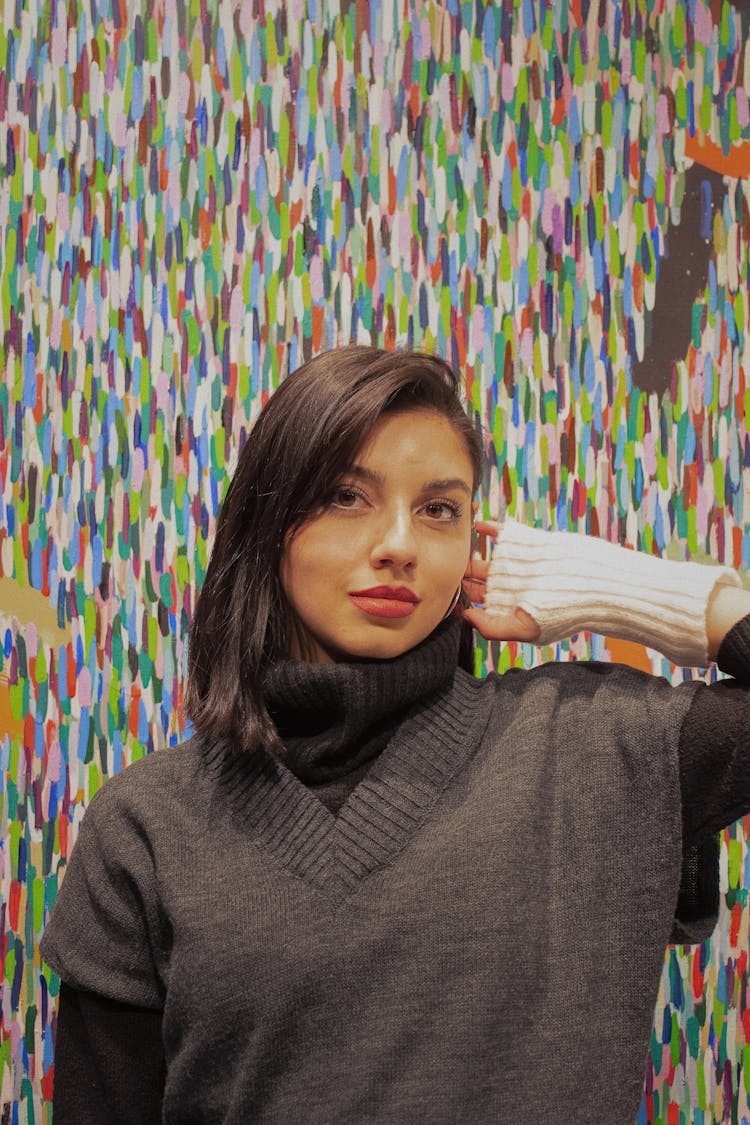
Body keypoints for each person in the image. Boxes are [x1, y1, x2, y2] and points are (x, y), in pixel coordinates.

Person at [41, 346, 750, 1124]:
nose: (400, 544)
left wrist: (620, 588)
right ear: (269, 522)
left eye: (440, 509)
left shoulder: (602, 746)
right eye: (347, 496)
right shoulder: (148, 824)